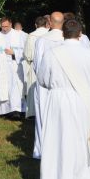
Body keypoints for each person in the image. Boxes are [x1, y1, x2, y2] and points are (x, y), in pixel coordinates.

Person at [37, 19, 90, 179]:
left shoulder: (52, 54)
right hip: (84, 101)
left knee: (61, 141)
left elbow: (43, 79)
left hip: (59, 102)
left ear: (63, 33)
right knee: (83, 141)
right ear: (80, 34)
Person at [32, 11, 64, 159]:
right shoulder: (67, 40)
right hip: (64, 85)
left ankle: (41, 151)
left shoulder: (41, 40)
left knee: (43, 116)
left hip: (45, 84)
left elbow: (37, 65)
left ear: (49, 23)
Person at [0, 17, 26, 118]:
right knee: (2, 88)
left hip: (14, 66)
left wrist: (14, 52)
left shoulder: (18, 35)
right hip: (1, 67)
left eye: (6, 26)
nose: (4, 28)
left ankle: (16, 111)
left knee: (15, 90)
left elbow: (25, 52)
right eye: (2, 26)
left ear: (11, 24)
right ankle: (4, 110)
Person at [22, 16, 49, 119]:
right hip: (47, 65)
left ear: (35, 25)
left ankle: (33, 113)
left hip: (34, 66)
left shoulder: (31, 35)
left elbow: (27, 54)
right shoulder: (49, 34)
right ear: (46, 24)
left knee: (33, 89)